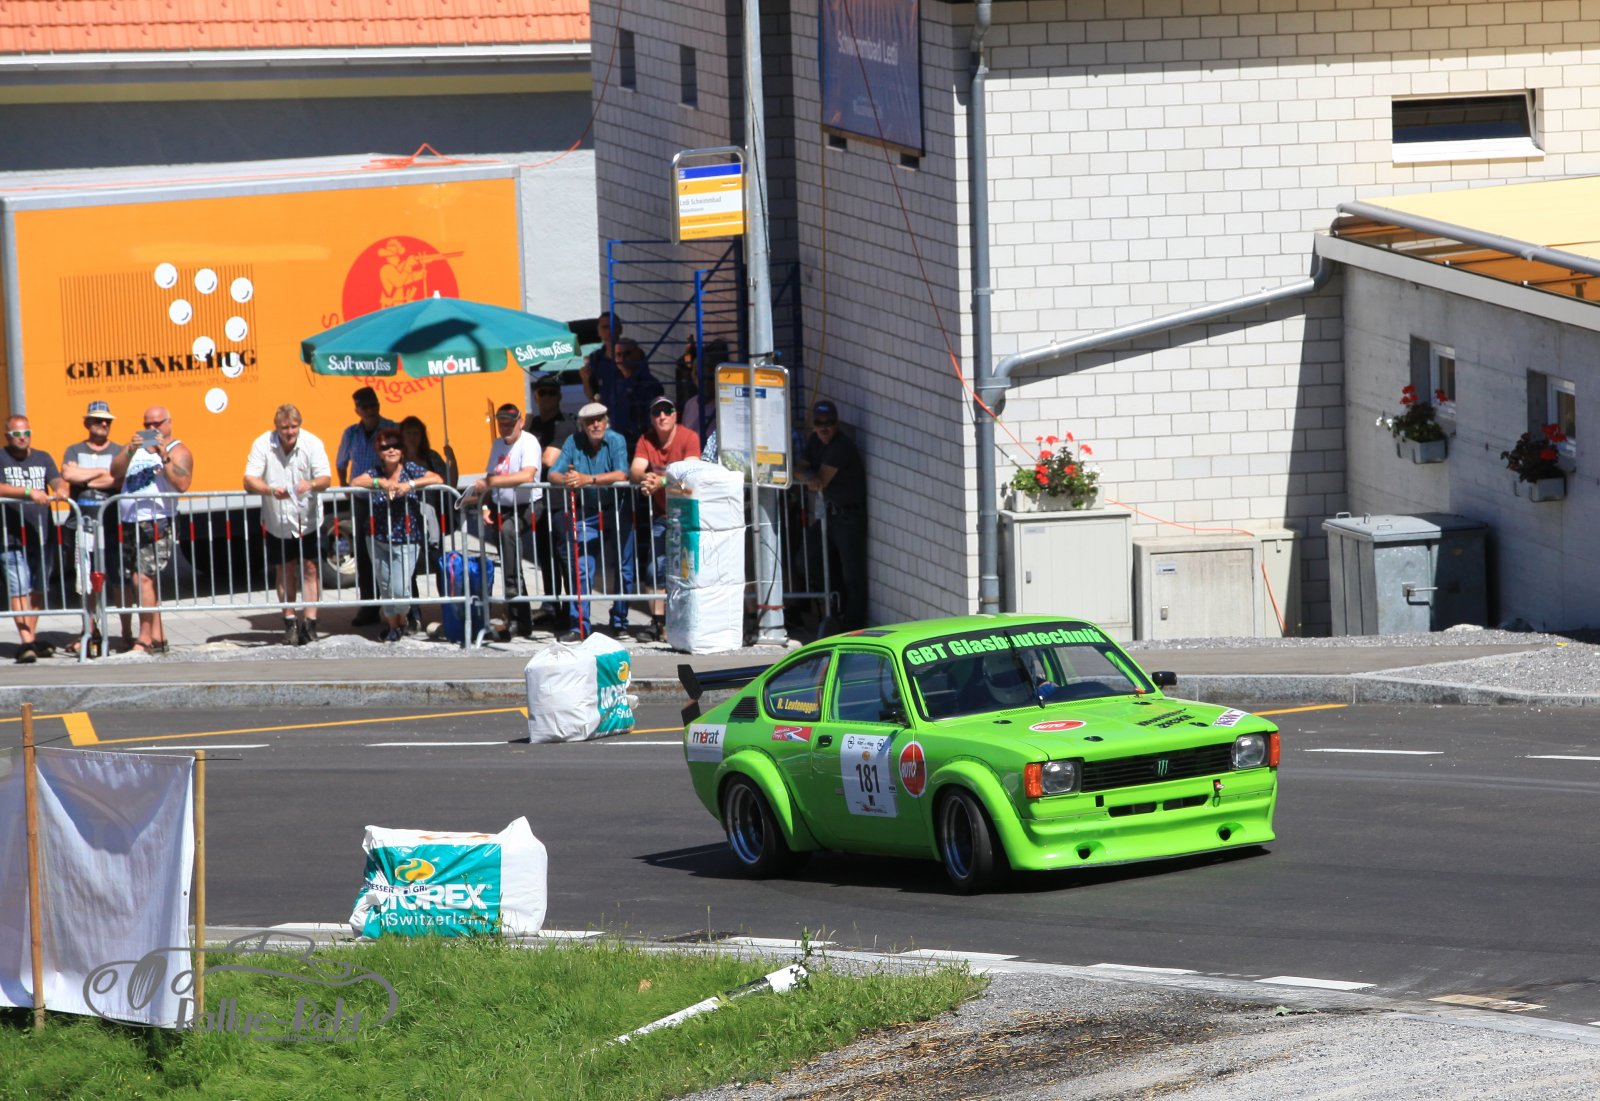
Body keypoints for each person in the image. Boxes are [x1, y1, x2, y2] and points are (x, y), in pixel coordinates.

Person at [243, 404, 332, 646]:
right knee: (285, 569)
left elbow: (326, 478)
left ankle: (310, 623)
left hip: (309, 518)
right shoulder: (263, 443)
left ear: (299, 425)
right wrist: (270, 490)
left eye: (294, 427)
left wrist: (310, 484)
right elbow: (249, 480)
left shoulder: (312, 443)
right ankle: (290, 622)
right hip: (278, 520)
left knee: (311, 569)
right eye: (285, 428)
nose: (290, 432)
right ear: (277, 427)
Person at [109, 405, 193, 656]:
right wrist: (130, 449)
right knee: (140, 579)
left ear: (169, 423)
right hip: (130, 521)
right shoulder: (134, 448)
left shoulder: (177, 449)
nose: (152, 428)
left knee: (143, 578)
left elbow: (182, 483)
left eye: (157, 423)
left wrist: (164, 455)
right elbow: (114, 472)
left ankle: (145, 637)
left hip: (157, 520)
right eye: (147, 424)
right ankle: (158, 636)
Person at [548, 402, 634, 642]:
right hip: (587, 511)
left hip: (617, 509)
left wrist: (588, 479)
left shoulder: (616, 440)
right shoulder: (573, 441)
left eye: (599, 419)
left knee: (624, 568)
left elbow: (622, 473)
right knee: (582, 569)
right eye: (589, 421)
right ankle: (579, 626)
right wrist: (568, 480)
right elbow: (552, 473)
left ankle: (620, 621)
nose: (595, 424)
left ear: (606, 421)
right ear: (582, 425)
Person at [351, 428, 442, 642]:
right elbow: (355, 482)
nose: (391, 450)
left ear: (402, 450)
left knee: (400, 589)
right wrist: (381, 483)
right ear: (378, 451)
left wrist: (409, 485)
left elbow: (437, 478)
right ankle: (394, 628)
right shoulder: (375, 472)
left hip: (406, 538)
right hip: (377, 537)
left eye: (396, 446)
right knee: (385, 587)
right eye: (385, 447)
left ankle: (401, 618)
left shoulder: (410, 469)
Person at [465, 403, 543, 638]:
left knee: (509, 532)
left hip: (528, 505)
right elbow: (491, 475)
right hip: (502, 506)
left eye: (510, 423)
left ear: (521, 422)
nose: (506, 428)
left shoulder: (529, 442)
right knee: (510, 559)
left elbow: (527, 475)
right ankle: (521, 620)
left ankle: (511, 588)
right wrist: (485, 504)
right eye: (502, 424)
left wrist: (491, 483)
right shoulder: (498, 444)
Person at [629, 395, 701, 641]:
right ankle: (658, 623)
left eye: (667, 411)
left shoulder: (689, 437)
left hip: (688, 516)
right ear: (651, 418)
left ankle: (686, 620)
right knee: (654, 569)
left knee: (688, 569)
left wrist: (660, 481)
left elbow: (691, 472)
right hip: (663, 515)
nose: (662, 416)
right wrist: (647, 478)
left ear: (675, 415)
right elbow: (635, 470)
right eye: (657, 412)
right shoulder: (646, 439)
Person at [60, 400, 127, 657]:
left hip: (110, 526)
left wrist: (86, 476)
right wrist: (101, 471)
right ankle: (89, 631)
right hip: (81, 527)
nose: (103, 424)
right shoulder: (74, 449)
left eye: (107, 421)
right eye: (98, 420)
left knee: (119, 581)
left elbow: (118, 479)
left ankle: (125, 632)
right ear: (87, 422)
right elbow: (69, 475)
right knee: (86, 582)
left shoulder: (119, 450)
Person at [0, 415, 65, 663]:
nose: (22, 438)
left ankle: (31, 639)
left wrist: (61, 488)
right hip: (11, 537)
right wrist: (28, 492)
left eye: (26, 433)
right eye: (16, 434)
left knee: (38, 589)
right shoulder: (1, 457)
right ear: (7, 436)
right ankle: (27, 642)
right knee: (19, 589)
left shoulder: (43, 457)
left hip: (42, 535)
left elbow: (56, 479)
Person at [800, 398, 869, 631]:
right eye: (819, 423)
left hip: (849, 516)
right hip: (831, 515)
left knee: (853, 573)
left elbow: (821, 480)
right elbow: (800, 468)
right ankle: (837, 606)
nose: (823, 428)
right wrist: (808, 476)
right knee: (807, 558)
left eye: (828, 423)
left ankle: (854, 625)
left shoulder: (841, 446)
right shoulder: (814, 441)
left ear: (836, 424)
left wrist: (810, 476)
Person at [335, 386, 397, 627]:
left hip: (386, 501)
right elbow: (341, 463)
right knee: (363, 553)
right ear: (357, 410)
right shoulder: (350, 434)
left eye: (374, 405)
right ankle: (369, 606)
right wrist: (345, 487)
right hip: (361, 501)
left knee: (389, 552)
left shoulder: (391, 428)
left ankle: (394, 605)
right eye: (366, 406)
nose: (371, 410)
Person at [399, 415, 457, 633]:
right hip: (405, 519)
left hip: (430, 517)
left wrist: (452, 461)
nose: (412, 437)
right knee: (409, 568)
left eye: (416, 433)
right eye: (408, 433)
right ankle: (413, 615)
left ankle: (448, 610)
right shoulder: (398, 459)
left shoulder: (431, 457)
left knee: (438, 563)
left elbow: (448, 481)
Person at [528, 377, 576, 629]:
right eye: (541, 393)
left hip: (561, 500)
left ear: (559, 396)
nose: (546, 397)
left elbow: (548, 459)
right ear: (536, 397)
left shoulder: (565, 424)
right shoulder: (533, 424)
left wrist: (528, 457)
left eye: (550, 393)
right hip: (538, 500)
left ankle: (571, 608)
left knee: (565, 555)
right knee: (545, 557)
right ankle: (551, 606)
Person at [583, 319, 663, 452]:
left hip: (643, 444)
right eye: (618, 355)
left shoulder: (650, 384)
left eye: (627, 354)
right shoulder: (614, 383)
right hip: (616, 443)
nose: (622, 358)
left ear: (638, 354)